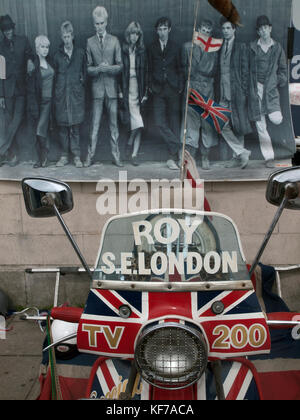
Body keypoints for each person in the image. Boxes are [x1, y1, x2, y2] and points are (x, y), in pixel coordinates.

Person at [84, 6, 123, 167]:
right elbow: (88, 68)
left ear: (106, 23)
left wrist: (109, 68)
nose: (99, 26)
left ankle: (116, 156)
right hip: (97, 91)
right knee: (95, 125)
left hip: (112, 90)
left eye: (101, 23)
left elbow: (120, 66)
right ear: (93, 24)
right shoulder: (89, 42)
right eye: (96, 24)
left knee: (114, 125)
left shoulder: (115, 41)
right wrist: (98, 69)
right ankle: (90, 156)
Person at [248, 15, 288, 168]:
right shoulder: (252, 47)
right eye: (261, 29)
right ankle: (269, 157)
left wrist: (276, 81)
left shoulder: (277, 48)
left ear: (270, 29)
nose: (264, 31)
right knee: (260, 124)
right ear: (258, 32)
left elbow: (283, 70)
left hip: (270, 90)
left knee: (276, 119)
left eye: (266, 28)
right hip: (255, 88)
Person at [181, 19, 219, 170]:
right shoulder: (187, 47)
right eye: (203, 30)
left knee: (207, 124)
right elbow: (184, 69)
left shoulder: (213, 49)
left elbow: (214, 71)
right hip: (192, 88)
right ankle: (191, 157)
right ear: (197, 30)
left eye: (208, 31)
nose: (205, 33)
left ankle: (205, 156)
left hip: (207, 89)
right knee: (191, 125)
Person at [148, 17, 183, 170]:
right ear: (156, 31)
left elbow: (181, 68)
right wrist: (150, 85)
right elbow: (148, 67)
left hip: (173, 88)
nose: (162, 32)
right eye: (159, 29)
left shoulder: (176, 47)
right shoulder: (152, 47)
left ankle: (172, 157)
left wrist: (180, 86)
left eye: (165, 29)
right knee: (159, 122)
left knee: (174, 122)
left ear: (169, 30)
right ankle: (179, 146)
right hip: (157, 90)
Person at [216, 17, 252, 169]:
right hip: (223, 92)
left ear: (234, 30)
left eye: (228, 28)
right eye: (223, 29)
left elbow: (245, 71)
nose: (225, 31)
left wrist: (243, 91)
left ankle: (237, 157)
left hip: (237, 92)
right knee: (220, 123)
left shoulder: (241, 47)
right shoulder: (221, 46)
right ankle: (241, 152)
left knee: (239, 125)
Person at [0, 14, 34, 167]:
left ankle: (1, 149)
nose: (7, 32)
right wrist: (1, 94)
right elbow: (0, 72)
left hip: (21, 88)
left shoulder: (23, 40)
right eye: (4, 30)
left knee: (17, 118)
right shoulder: (0, 47)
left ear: (13, 28)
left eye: (9, 29)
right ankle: (10, 154)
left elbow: (31, 55)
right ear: (2, 31)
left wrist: (29, 60)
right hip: (7, 90)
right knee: (8, 121)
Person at [53, 21, 86, 168]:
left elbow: (85, 75)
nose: (66, 40)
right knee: (63, 128)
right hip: (61, 96)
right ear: (61, 37)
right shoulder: (57, 56)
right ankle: (64, 155)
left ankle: (77, 156)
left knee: (75, 128)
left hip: (75, 96)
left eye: (69, 36)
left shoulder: (80, 53)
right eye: (64, 37)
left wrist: (80, 85)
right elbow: (54, 78)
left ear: (73, 36)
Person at [121, 21, 148, 166]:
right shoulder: (124, 50)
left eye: (137, 34)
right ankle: (132, 149)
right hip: (127, 87)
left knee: (139, 121)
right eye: (132, 33)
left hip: (139, 87)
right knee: (136, 122)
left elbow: (146, 72)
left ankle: (133, 153)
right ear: (128, 34)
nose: (134, 37)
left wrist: (146, 92)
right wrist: (120, 90)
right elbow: (120, 73)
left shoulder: (142, 50)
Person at [27, 35, 54, 168]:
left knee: (43, 129)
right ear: (37, 48)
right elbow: (31, 88)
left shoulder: (50, 61)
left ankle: (43, 158)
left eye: (47, 47)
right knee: (40, 129)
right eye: (42, 47)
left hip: (51, 101)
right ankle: (42, 157)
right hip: (41, 102)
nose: (45, 50)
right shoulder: (33, 64)